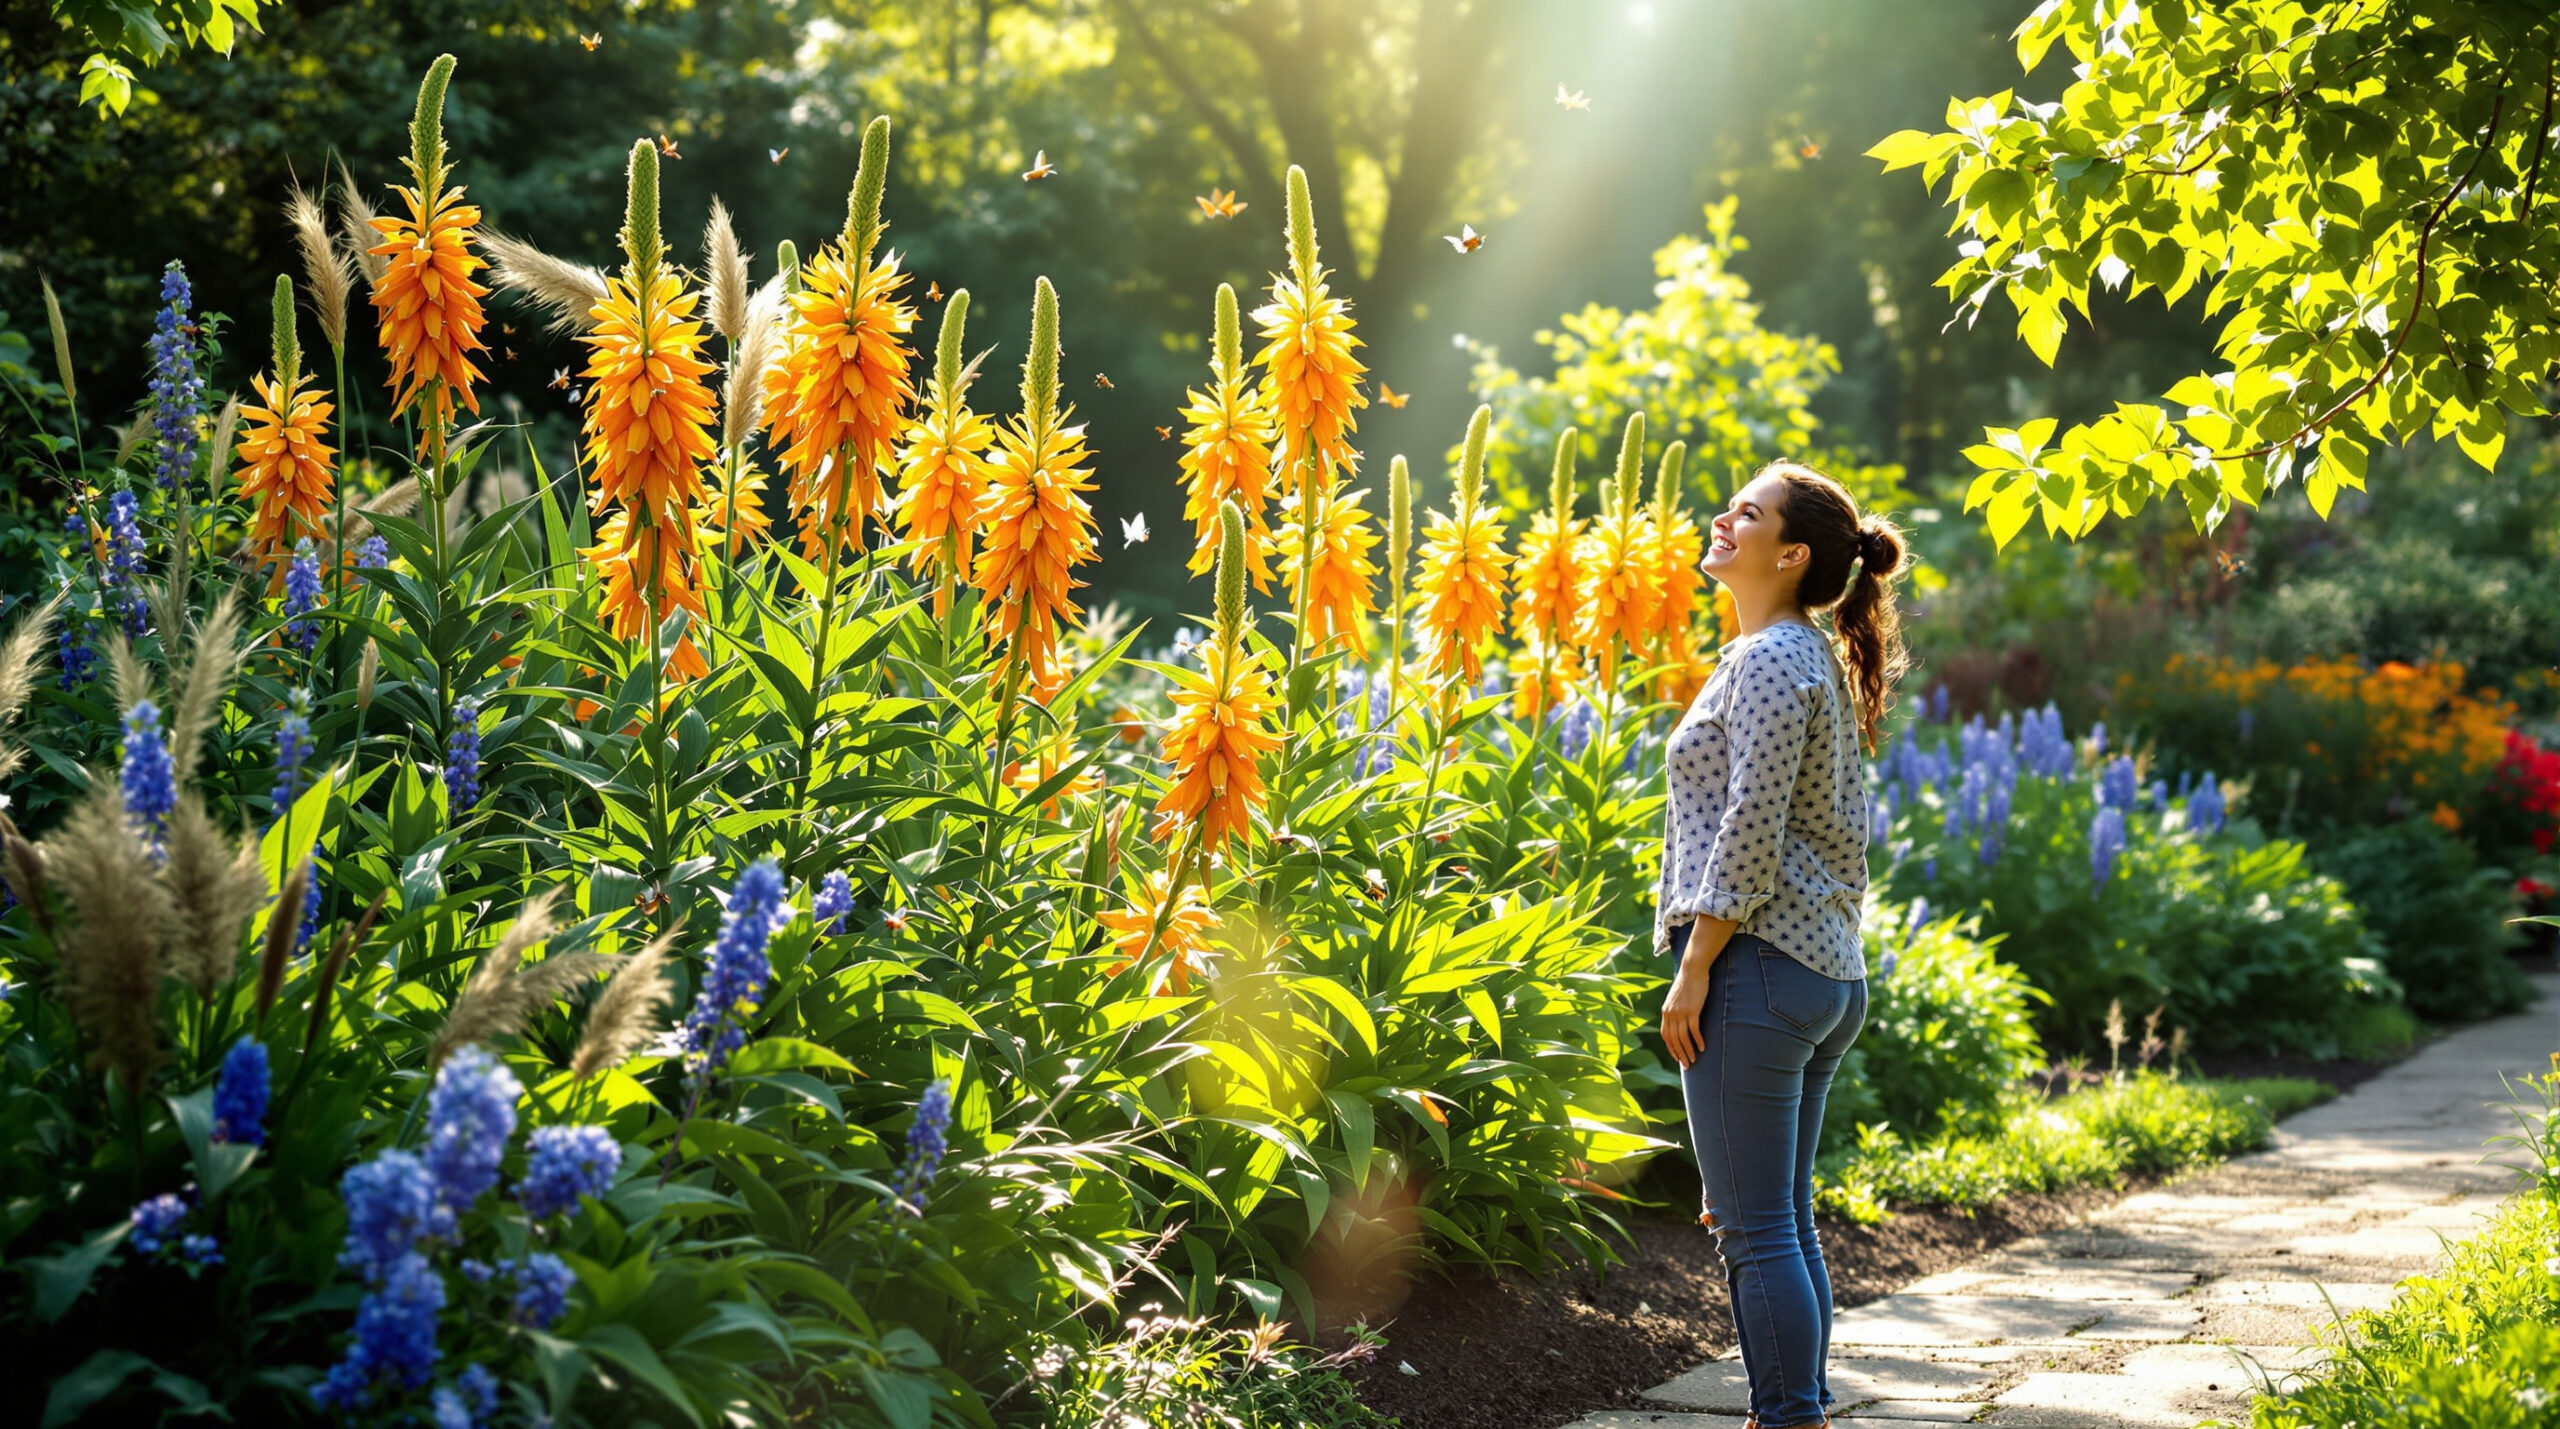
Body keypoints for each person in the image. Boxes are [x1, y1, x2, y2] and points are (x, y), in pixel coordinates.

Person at [1655, 461, 1908, 1429]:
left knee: (1756, 1231)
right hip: (1816, 970)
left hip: (1756, 968)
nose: (1723, 519)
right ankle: (1797, 1407)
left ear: (1790, 553)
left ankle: (1789, 1415)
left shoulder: (1768, 660)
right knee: (1780, 1225)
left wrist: (1692, 968)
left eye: (1747, 512)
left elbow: (1749, 826)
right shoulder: (1798, 654)